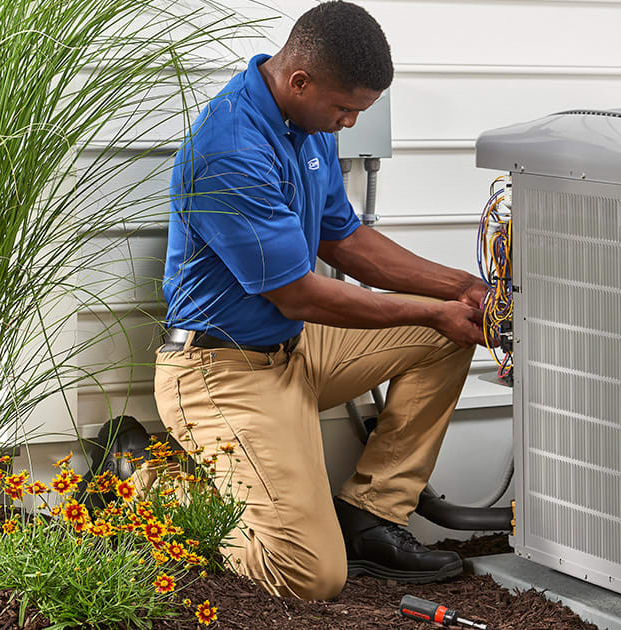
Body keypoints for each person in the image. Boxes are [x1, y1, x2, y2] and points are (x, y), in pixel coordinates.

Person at [153, 0, 490, 600]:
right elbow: (298, 294)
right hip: (221, 370)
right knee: (309, 576)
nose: (349, 124)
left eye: (360, 111)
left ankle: (373, 517)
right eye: (344, 108)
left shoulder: (306, 127)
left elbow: (347, 239)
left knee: (443, 336)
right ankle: (147, 486)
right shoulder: (231, 147)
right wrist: (430, 307)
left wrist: (461, 290)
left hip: (293, 351)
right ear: (299, 80)